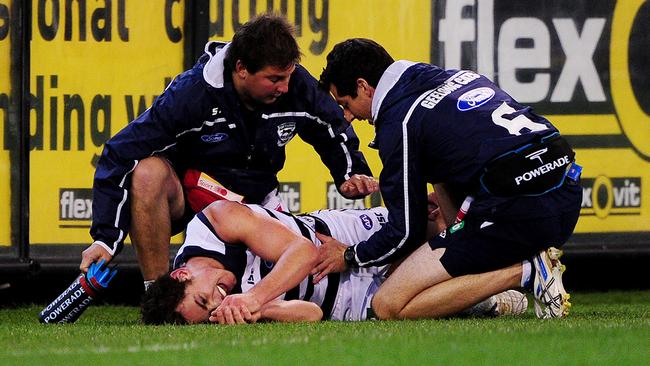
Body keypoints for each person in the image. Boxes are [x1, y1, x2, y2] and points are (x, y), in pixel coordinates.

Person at [79, 15, 378, 287]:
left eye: (288, 76)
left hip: (257, 207)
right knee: (146, 173)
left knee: (296, 281)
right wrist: (106, 239)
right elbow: (120, 152)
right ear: (241, 69)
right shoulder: (191, 94)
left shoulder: (296, 85)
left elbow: (332, 127)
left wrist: (351, 172)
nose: (285, 88)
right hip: (192, 200)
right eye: (275, 79)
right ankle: (159, 293)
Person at [315, 38, 582, 319]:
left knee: (388, 305)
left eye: (346, 104)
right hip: (567, 194)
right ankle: (499, 272)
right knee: (443, 189)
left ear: (363, 86)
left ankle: (526, 272)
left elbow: (405, 231)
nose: (348, 116)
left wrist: (349, 256)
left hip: (520, 215)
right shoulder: (456, 77)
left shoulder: (398, 121)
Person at [141, 200, 529, 325]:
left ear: (183, 273)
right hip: (346, 301)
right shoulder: (228, 313)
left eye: (205, 298)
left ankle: (525, 226)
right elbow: (310, 313)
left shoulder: (217, 221)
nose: (218, 301)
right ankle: (517, 276)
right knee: (390, 310)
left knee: (439, 216)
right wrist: (267, 310)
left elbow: (303, 252)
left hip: (341, 241)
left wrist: (254, 297)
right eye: (210, 312)